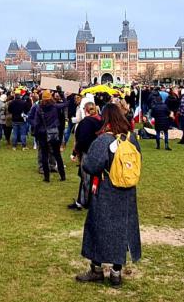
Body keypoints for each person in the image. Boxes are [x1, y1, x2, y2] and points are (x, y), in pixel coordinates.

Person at [75, 103, 141, 287]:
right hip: (127, 192)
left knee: (98, 228)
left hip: (106, 190)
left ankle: (96, 269)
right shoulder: (131, 138)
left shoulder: (104, 140)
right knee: (121, 231)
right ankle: (116, 272)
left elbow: (91, 166)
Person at [69, 102, 101, 210]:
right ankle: (84, 200)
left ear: (85, 110)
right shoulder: (100, 120)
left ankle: (85, 201)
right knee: (94, 178)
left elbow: (81, 140)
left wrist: (74, 152)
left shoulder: (86, 122)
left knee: (86, 179)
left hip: (87, 152)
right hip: (98, 153)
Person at [31, 90, 67, 182]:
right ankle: (62, 175)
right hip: (54, 132)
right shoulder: (55, 107)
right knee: (57, 155)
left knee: (44, 155)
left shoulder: (39, 108)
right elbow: (66, 103)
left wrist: (36, 133)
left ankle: (47, 177)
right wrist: (61, 93)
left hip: (43, 133)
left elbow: (36, 123)